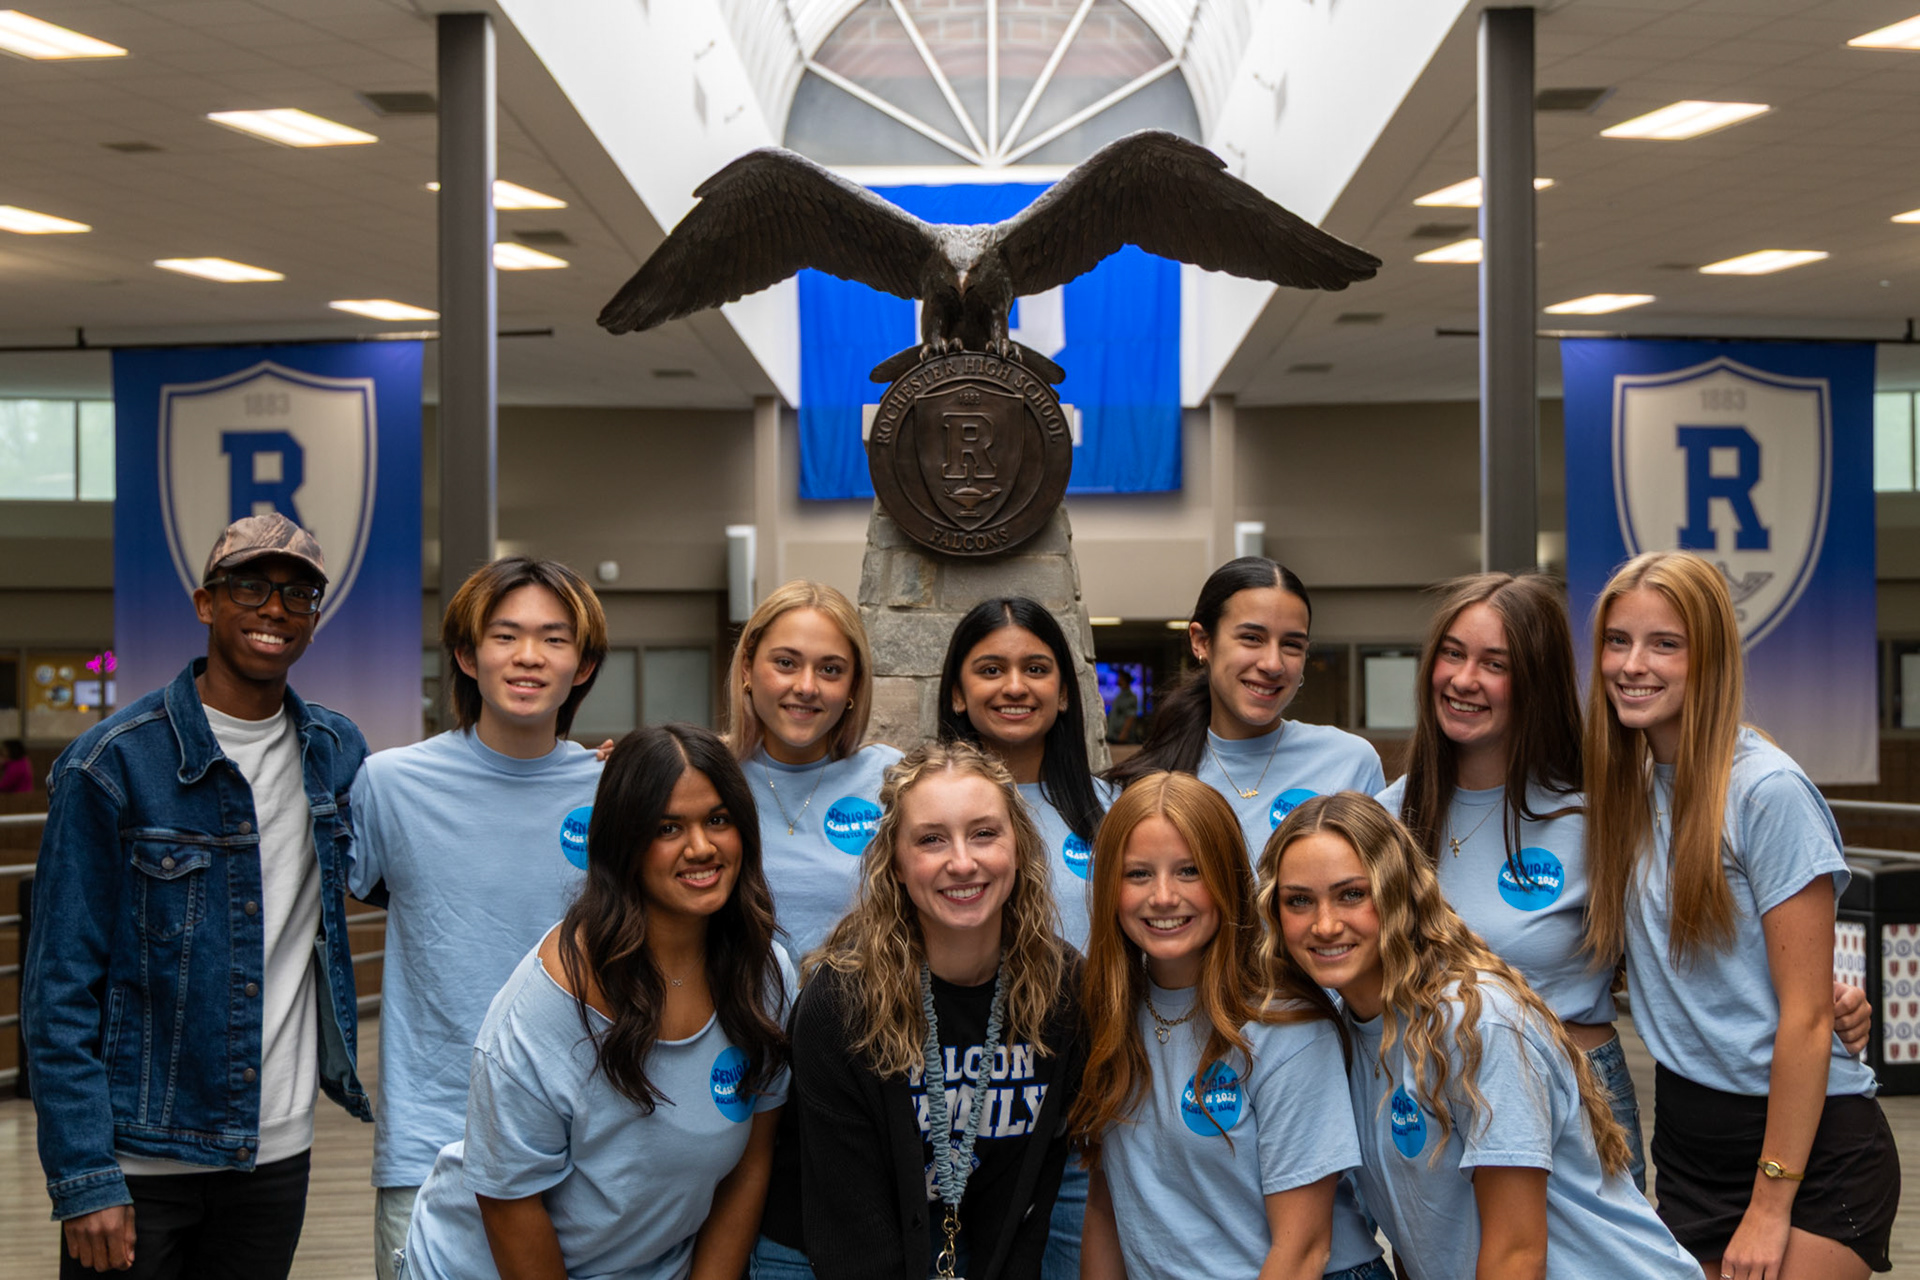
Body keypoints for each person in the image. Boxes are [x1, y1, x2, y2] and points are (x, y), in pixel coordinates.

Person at [1378, 572, 1873, 1196]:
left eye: (1494, 662)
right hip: (1432, 1093)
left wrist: (1824, 1004)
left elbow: (1703, 931)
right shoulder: (1382, 822)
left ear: (1534, 680)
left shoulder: (1606, 809)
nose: (1464, 679)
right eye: (1452, 653)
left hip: (1579, 1089)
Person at [23, 513, 371, 1279]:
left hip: (275, 1153)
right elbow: (58, 990)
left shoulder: (336, 751)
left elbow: (409, 849)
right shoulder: (112, 765)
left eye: (298, 594)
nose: (275, 609)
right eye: (249, 586)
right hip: (139, 1160)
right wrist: (85, 1177)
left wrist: (580, 777)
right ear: (205, 603)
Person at [1584, 551, 1900, 1279]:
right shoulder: (1625, 790)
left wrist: (1770, 1205)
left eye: (1665, 643)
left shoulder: (1766, 793)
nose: (1633, 664)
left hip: (1805, 1154)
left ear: (1712, 659)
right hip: (1691, 1147)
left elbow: (1807, 1019)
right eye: (1617, 641)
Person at [400, 723, 793, 1280]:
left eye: (718, 820)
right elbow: (510, 1203)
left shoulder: (765, 976)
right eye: (668, 827)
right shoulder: (548, 1006)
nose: (702, 847)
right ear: (623, 844)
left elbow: (752, 1163)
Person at [1264, 792, 1700, 1280]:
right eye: (1299, 901)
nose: (1324, 925)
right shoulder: (1343, 1031)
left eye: (1351, 894)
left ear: (1397, 892)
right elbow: (1422, 1232)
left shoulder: (1476, 1022)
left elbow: (1516, 1256)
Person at [347, 556, 608, 1278]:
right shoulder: (391, 785)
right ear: (467, 655)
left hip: (584, 1149)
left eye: (555, 639)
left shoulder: (615, 794)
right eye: (506, 636)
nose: (529, 657)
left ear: (582, 666)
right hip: (432, 1143)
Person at [753, 741, 1084, 1280]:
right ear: (898, 866)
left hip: (969, 1250)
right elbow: (853, 1235)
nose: (962, 861)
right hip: (821, 1256)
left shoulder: (1063, 989)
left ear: (1018, 848)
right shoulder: (840, 1003)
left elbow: (1028, 1199)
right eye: (931, 839)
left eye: (984, 833)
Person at [1072, 771, 1385, 1280]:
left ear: (1228, 880)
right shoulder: (1110, 1013)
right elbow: (1107, 1205)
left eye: (1190, 870)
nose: (1164, 896)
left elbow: (1303, 1251)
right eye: (1138, 875)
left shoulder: (1284, 1025)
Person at [935, 597, 1112, 1280]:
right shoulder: (916, 808)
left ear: (1065, 693)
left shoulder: (1112, 813)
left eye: (1037, 668)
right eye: (990, 669)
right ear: (957, 690)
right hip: (946, 1115)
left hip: (1077, 1126)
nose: (1015, 686)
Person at [1110, 557, 1382, 857]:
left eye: (1292, 644)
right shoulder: (1149, 780)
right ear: (1201, 642)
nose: (1273, 664)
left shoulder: (1349, 763)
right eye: (1252, 638)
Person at [727, 580, 902, 958]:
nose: (807, 687)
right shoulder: (706, 775)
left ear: (854, 684)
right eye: (786, 663)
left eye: (830, 670)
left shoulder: (892, 779)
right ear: (747, 668)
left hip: (856, 1013)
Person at [1104, 670, 1140, 745]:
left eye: (1120, 677)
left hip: (1121, 738)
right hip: (1113, 736)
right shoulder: (1120, 695)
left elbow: (1130, 716)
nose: (1118, 679)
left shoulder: (1130, 696)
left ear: (1124, 680)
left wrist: (1123, 734)